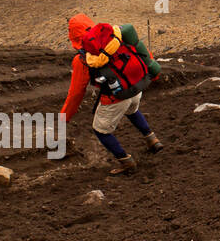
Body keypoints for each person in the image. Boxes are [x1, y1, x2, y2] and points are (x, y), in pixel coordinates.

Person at [60, 14, 163, 175]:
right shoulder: (116, 36)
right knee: (132, 110)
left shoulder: (83, 59)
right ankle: (152, 139)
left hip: (117, 96)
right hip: (137, 86)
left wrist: (64, 117)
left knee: (101, 130)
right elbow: (142, 52)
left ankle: (126, 161)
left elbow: (76, 93)